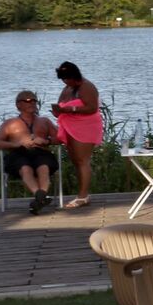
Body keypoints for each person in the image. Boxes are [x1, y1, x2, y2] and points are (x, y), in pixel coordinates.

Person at [0, 90, 59, 214]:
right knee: (25, 169)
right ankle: (41, 196)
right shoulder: (10, 123)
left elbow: (60, 138)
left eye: (34, 100)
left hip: (40, 152)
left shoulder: (44, 121)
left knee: (43, 167)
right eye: (27, 101)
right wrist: (15, 144)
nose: (31, 103)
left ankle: (40, 198)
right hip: (18, 153)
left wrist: (46, 141)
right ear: (18, 105)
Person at [49, 62, 102, 208]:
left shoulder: (86, 86)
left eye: (67, 78)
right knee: (76, 161)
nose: (65, 81)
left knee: (82, 160)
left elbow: (92, 107)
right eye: (63, 79)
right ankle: (81, 193)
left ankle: (83, 196)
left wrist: (70, 109)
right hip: (70, 126)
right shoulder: (67, 87)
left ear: (75, 75)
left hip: (85, 126)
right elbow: (61, 103)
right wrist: (58, 110)